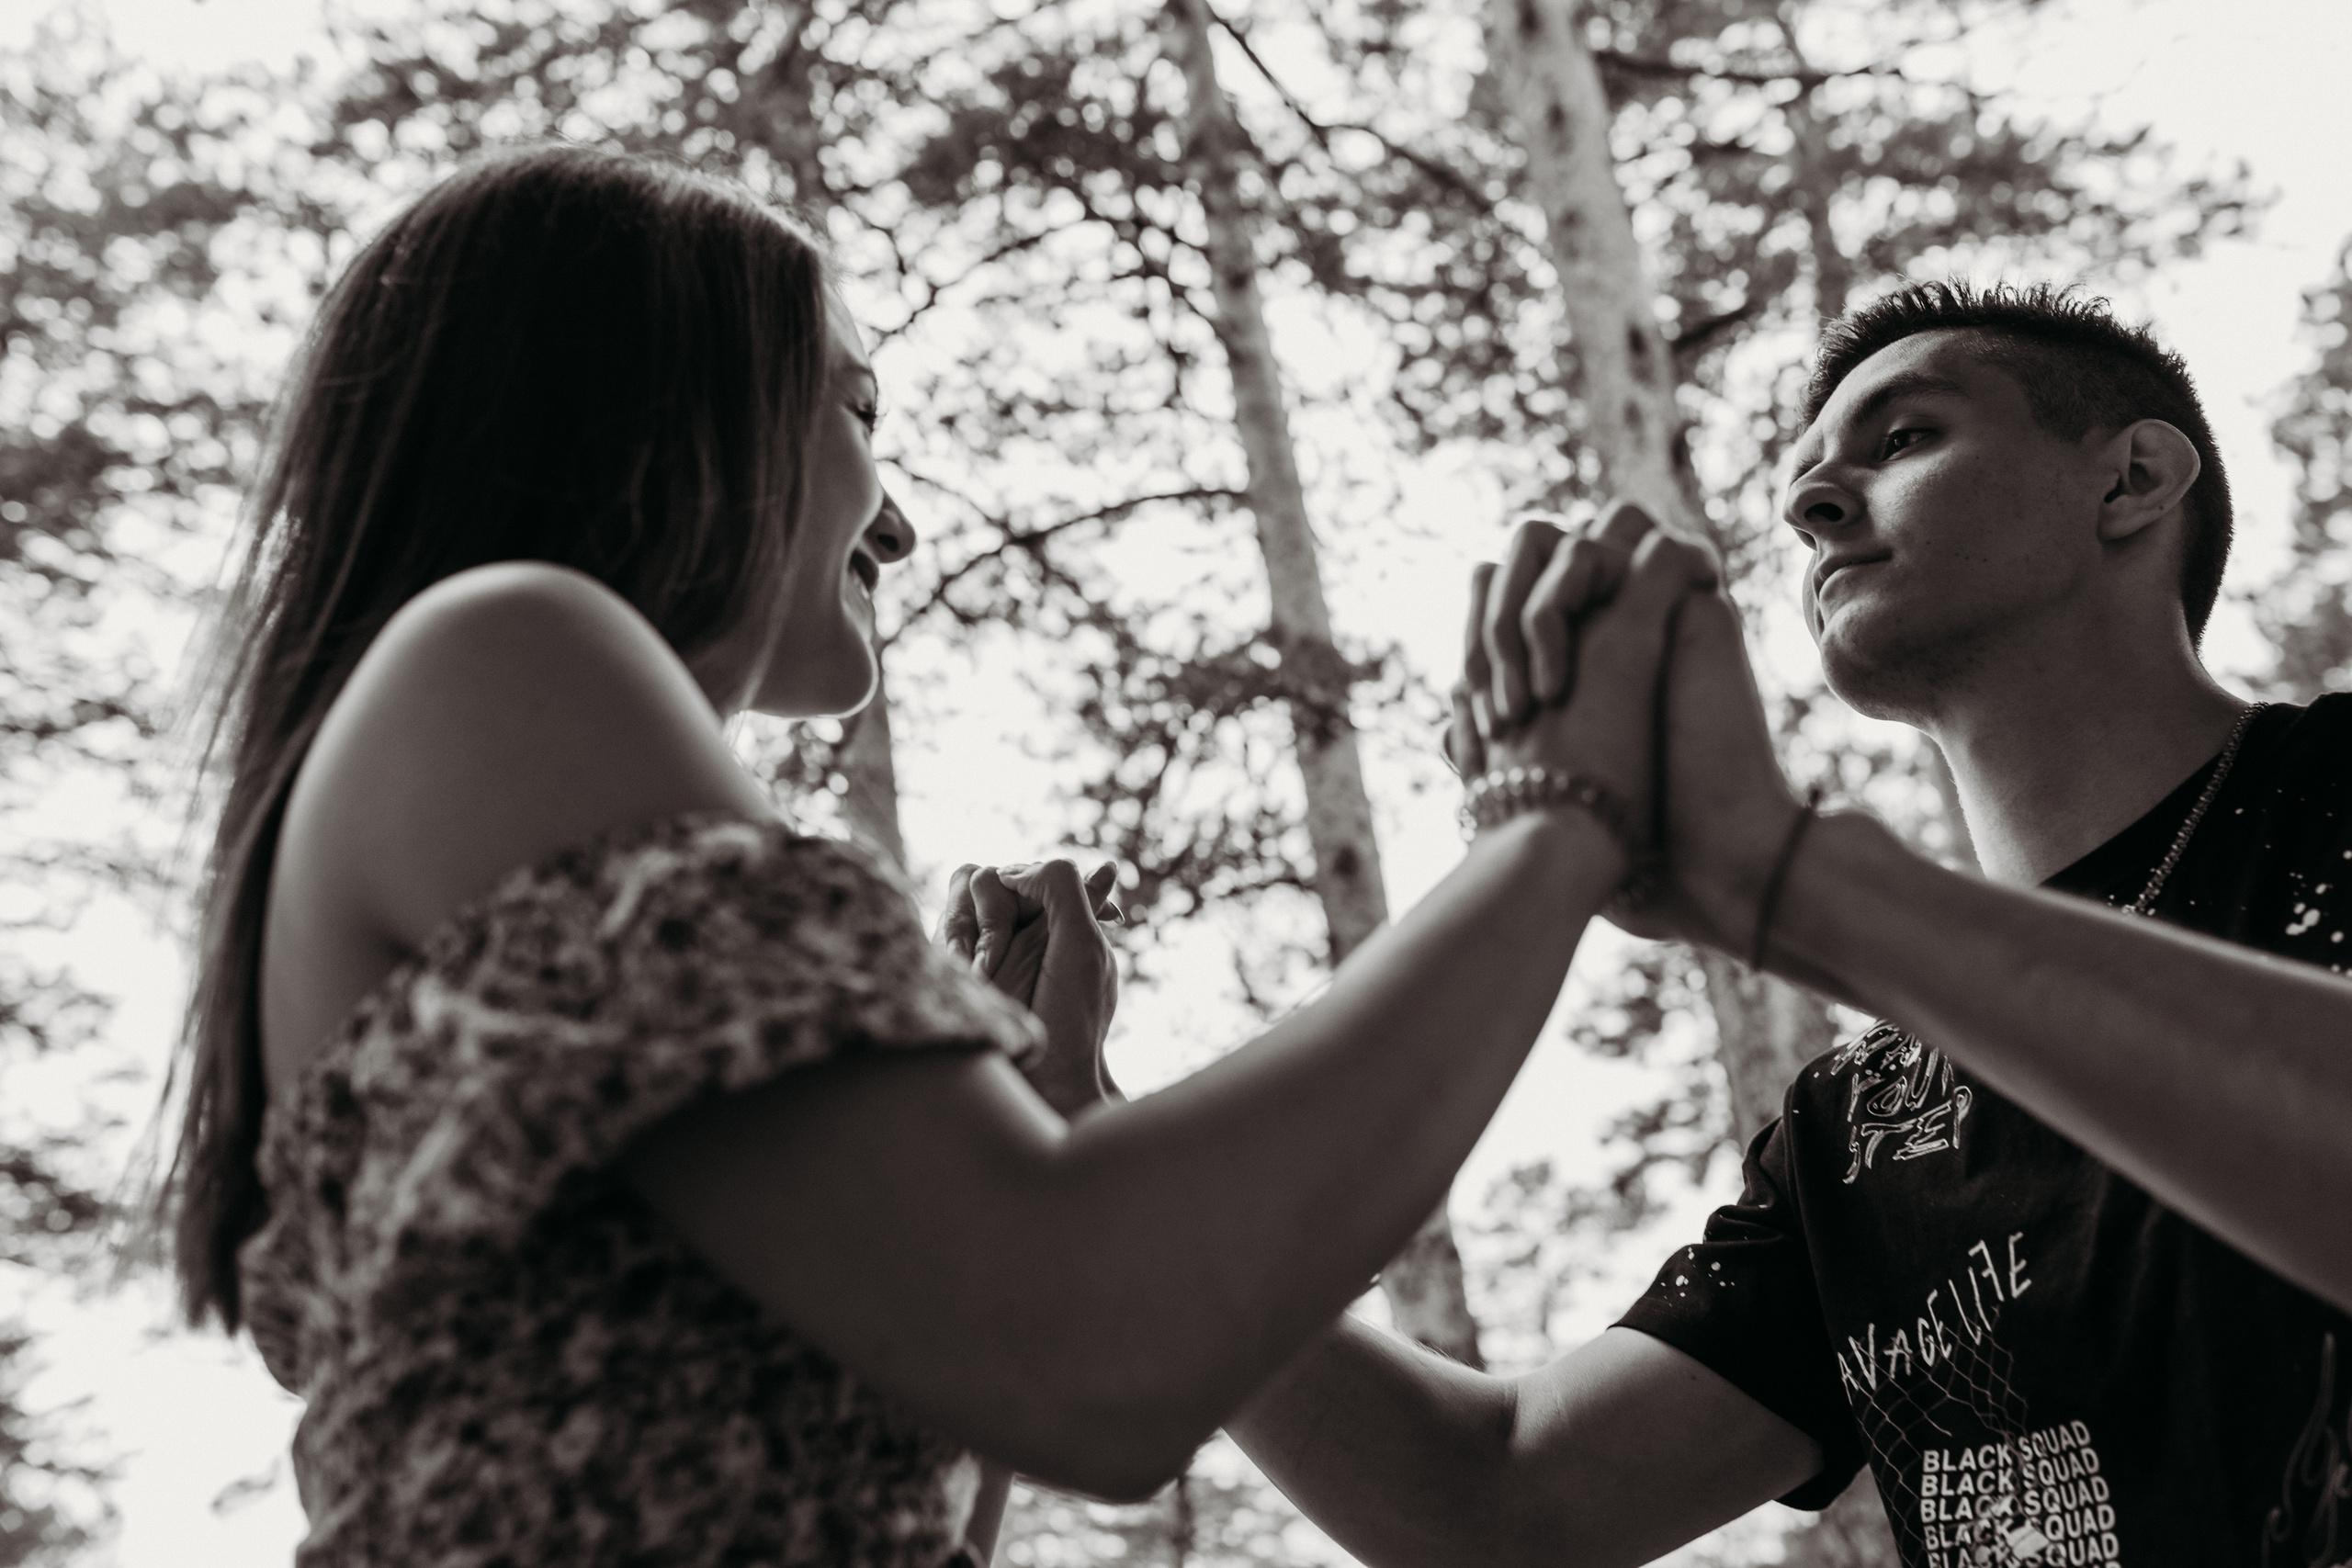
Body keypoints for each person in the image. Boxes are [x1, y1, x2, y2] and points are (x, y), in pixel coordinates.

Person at [152, 141, 1718, 1568]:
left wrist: (1032, 1113)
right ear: (661, 400)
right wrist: (1554, 822)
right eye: (857, 410)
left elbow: (909, 1504)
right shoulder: (504, 652)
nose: (898, 529)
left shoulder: (506, 755)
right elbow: (1091, 1371)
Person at [1070, 282, 2346, 1568]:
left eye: (1904, 438)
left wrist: (1792, 882)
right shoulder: (1858, 1138)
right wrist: (1089, 1145)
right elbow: (1491, 1500)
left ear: (2132, 478)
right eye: (1803, 478)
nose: (1810, 502)